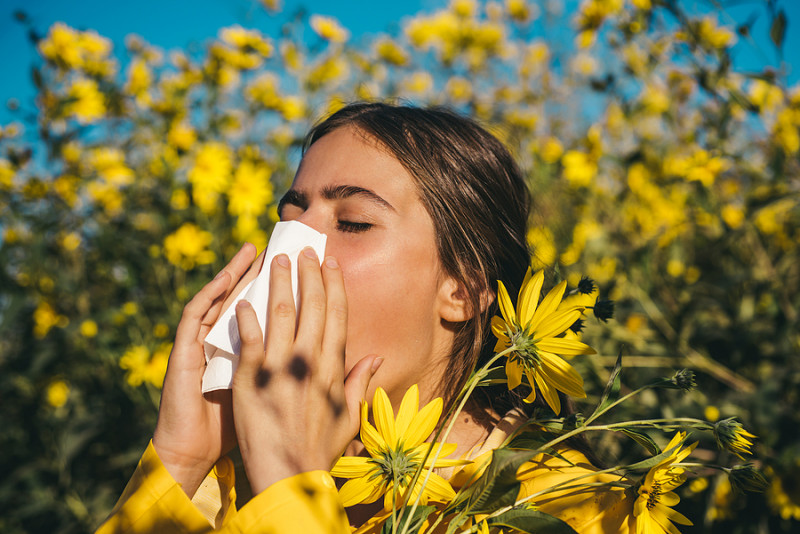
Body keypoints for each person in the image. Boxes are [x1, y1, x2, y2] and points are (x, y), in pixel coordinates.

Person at [96, 102, 636, 534]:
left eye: (352, 223)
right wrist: (179, 464)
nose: (292, 250)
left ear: (465, 289)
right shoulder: (223, 485)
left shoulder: (571, 511)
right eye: (288, 218)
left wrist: (291, 486)